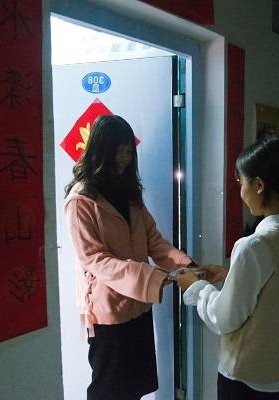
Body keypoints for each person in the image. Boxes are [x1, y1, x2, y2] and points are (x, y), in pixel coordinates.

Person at [177, 138, 279, 400]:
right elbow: (277, 291)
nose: (240, 192)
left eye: (240, 182)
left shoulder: (254, 246)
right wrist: (230, 275)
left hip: (248, 381)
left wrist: (197, 287)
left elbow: (224, 318)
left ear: (258, 185)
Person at [64, 115, 197, 400]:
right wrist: (151, 277)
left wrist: (188, 267)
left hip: (138, 306)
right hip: (108, 312)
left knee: (135, 387)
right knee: (109, 391)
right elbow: (95, 259)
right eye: (119, 151)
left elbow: (153, 241)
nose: (125, 158)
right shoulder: (81, 200)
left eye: (129, 151)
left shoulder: (129, 193)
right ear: (102, 150)